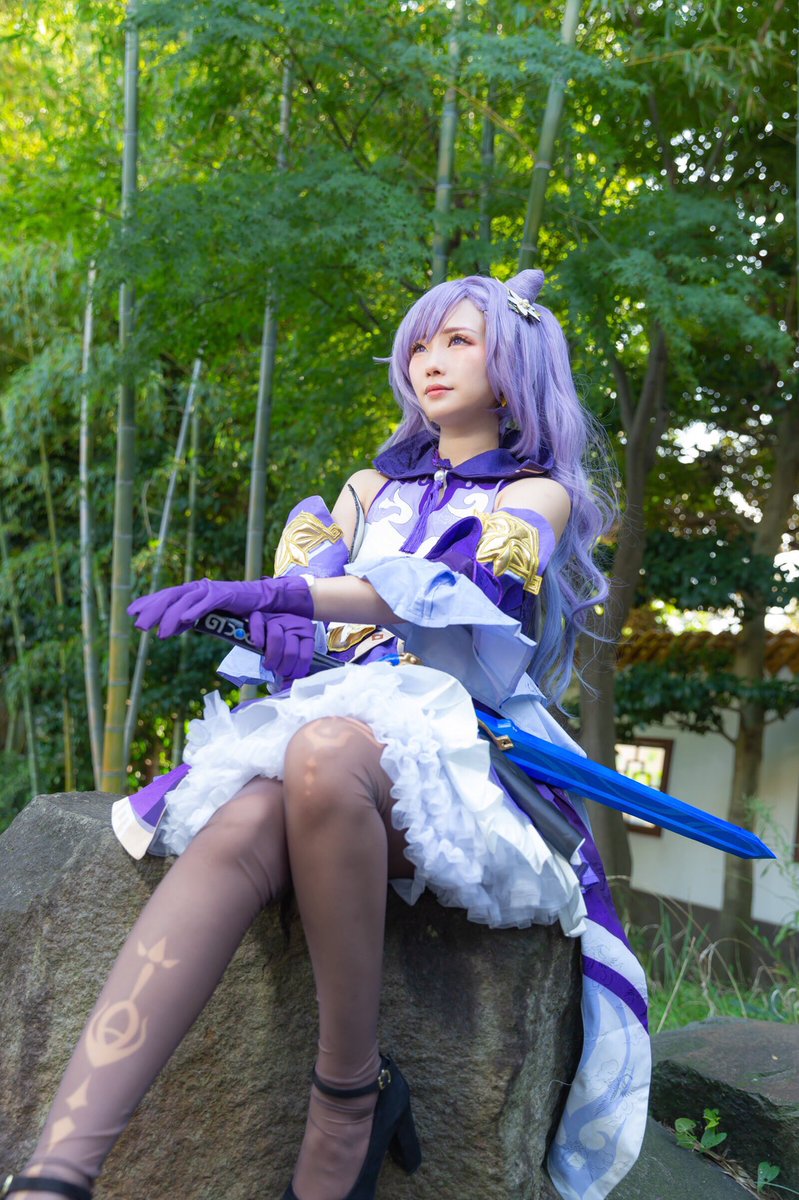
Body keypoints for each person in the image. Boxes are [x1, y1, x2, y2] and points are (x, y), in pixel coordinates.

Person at [3, 270, 650, 1200]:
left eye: (458, 341)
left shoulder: (536, 497)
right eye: (419, 344)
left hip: (463, 752)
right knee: (246, 818)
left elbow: (452, 596)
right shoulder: (361, 490)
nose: (429, 361)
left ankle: (345, 1093)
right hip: (337, 736)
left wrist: (276, 593)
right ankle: (54, 1175)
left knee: (318, 755)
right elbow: (319, 632)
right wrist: (266, 626)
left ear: (516, 368)